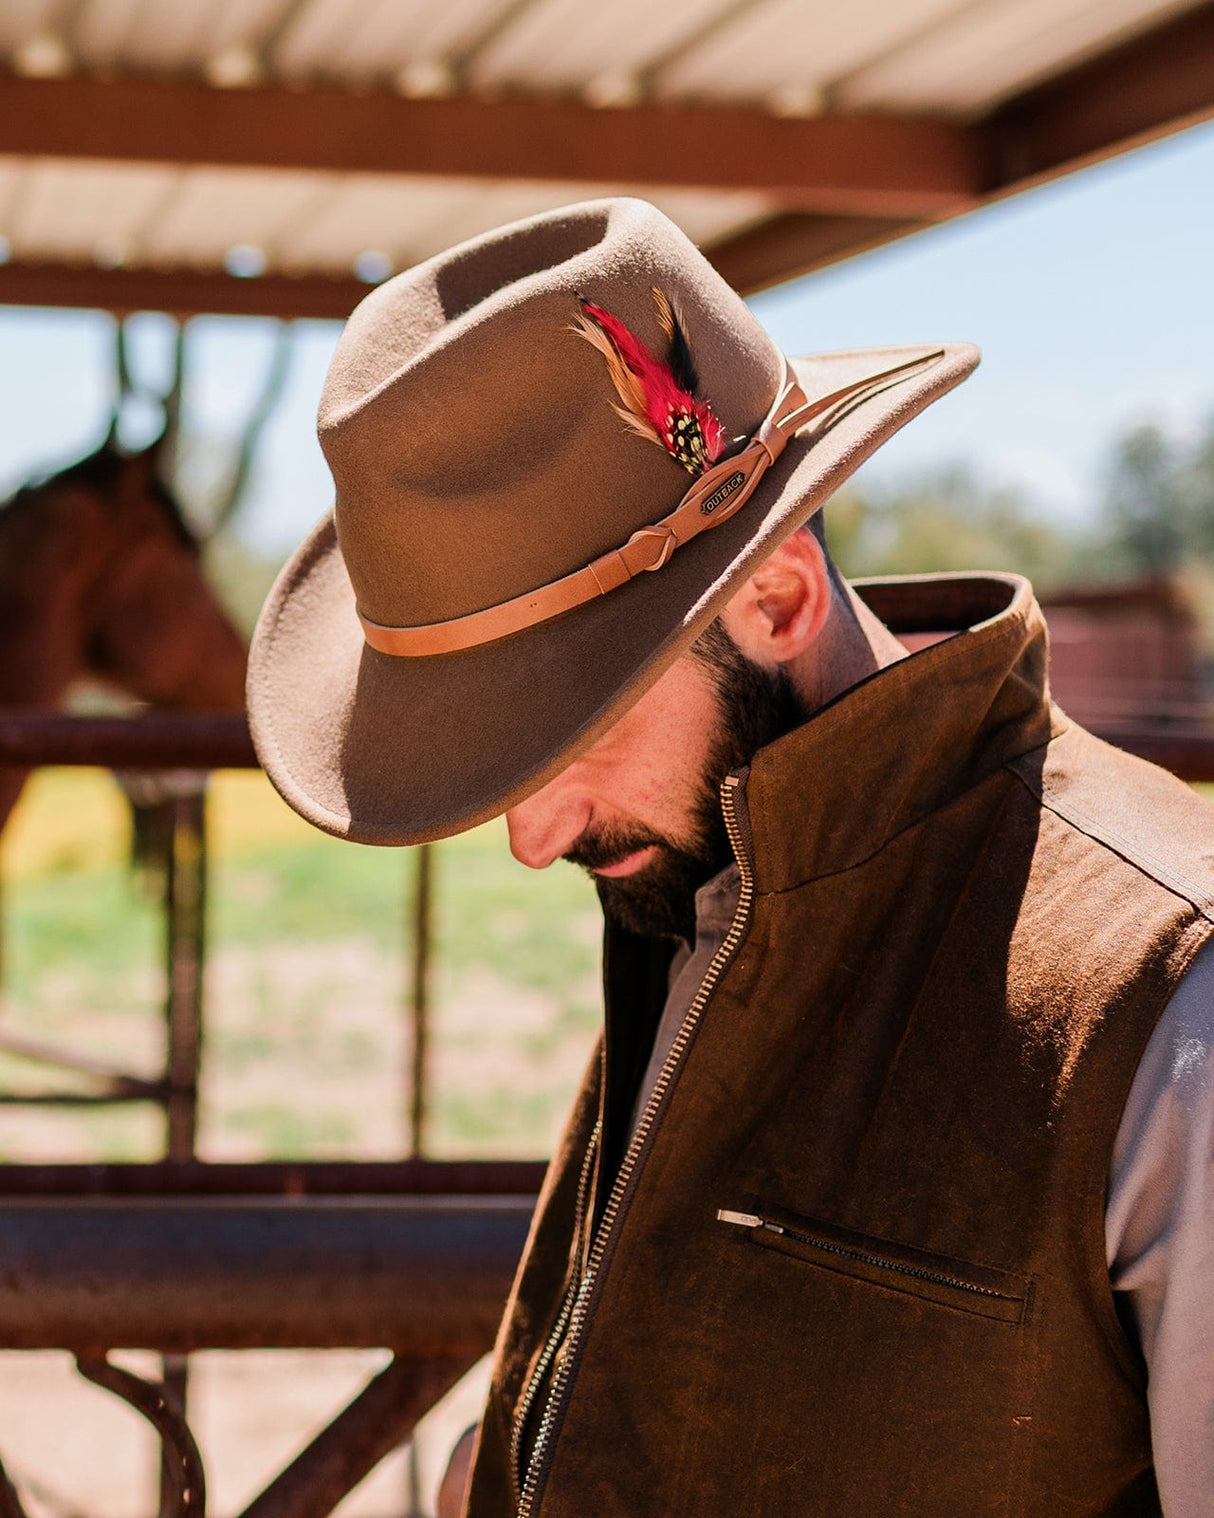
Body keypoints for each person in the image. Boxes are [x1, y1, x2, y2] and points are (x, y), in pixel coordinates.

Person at [247, 199, 1214, 1517]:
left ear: (775, 597)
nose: (530, 838)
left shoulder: (1171, 992)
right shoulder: (711, 882)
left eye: (568, 731)